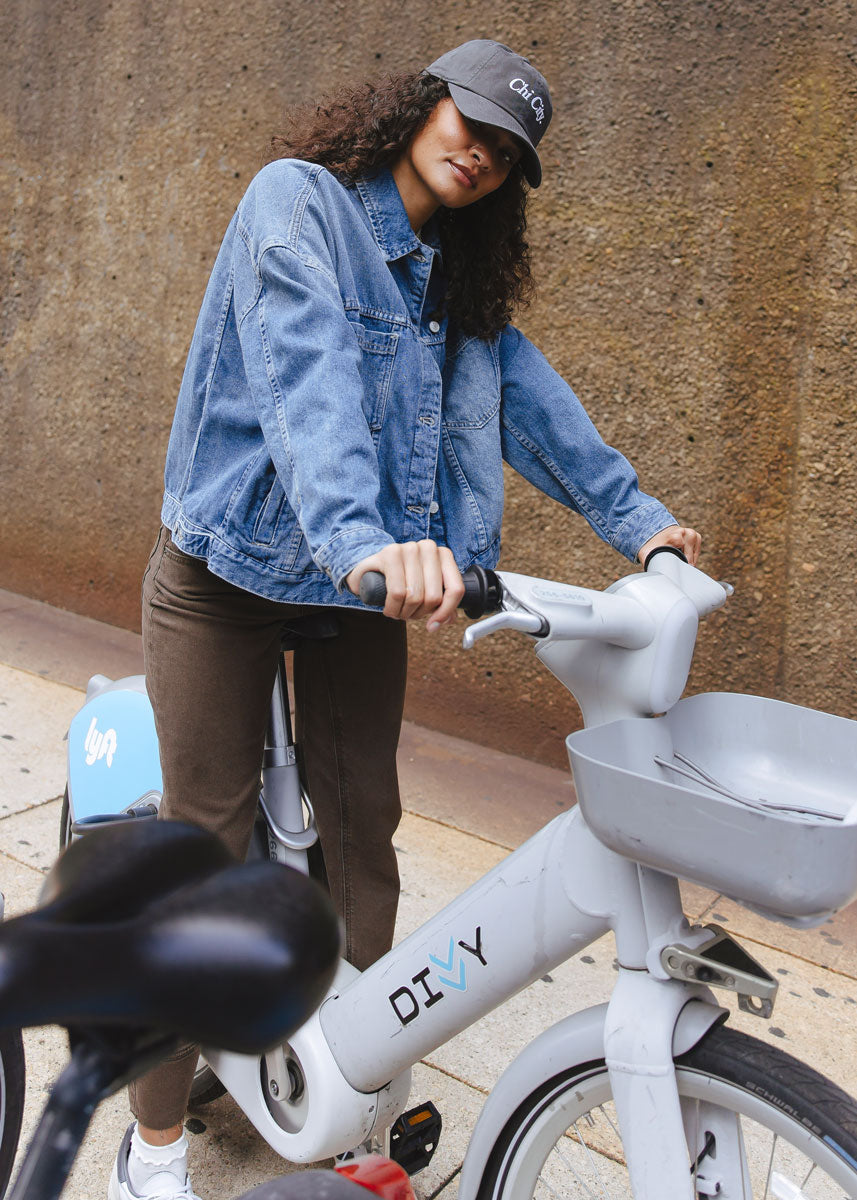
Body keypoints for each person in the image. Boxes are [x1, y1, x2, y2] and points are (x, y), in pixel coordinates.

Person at [109, 38, 701, 1200]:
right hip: (227, 579)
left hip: (359, 595)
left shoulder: (458, 291)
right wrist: (362, 541)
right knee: (205, 851)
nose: (475, 153)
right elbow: (307, 376)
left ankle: (337, 1069)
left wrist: (641, 525)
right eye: (468, 120)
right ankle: (154, 1145)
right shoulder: (298, 204)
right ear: (421, 102)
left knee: (362, 846)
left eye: (505, 151)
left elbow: (533, 406)